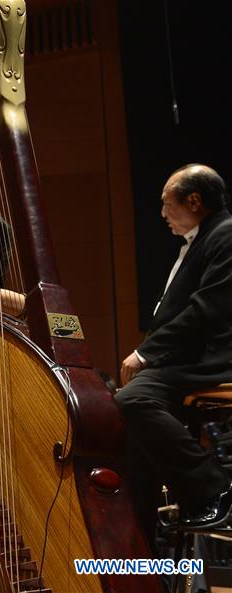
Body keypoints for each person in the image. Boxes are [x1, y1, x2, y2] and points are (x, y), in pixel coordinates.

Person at [116, 164, 232, 539]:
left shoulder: (225, 236)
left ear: (194, 201)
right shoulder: (203, 239)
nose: (163, 213)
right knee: (128, 419)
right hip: (187, 358)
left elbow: (206, 310)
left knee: (133, 400)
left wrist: (146, 354)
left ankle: (214, 489)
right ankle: (139, 535)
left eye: (168, 204)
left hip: (213, 360)